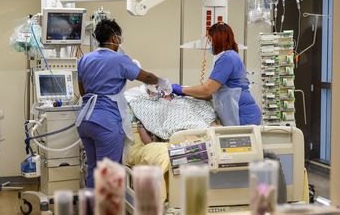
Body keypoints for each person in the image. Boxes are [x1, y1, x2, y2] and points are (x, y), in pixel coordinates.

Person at [76, 19, 167, 187]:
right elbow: (146, 77)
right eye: (119, 37)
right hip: (105, 123)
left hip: (85, 122)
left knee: (94, 170)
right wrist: (163, 83)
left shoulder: (84, 60)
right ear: (114, 38)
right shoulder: (119, 60)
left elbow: (83, 92)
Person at [172, 22, 261, 126]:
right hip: (239, 113)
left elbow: (207, 89)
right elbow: (211, 94)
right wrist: (185, 93)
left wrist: (181, 90)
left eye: (210, 40)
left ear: (217, 39)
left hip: (244, 115)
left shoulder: (227, 58)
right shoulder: (228, 57)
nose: (209, 44)